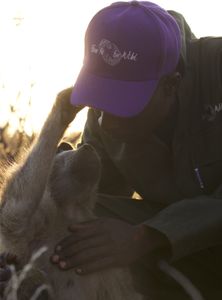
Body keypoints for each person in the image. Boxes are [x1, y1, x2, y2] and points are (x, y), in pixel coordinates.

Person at [1, 1, 222, 300]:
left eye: (124, 103)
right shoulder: (103, 116)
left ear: (172, 84)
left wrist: (146, 235)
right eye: (103, 96)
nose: (106, 119)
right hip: (176, 257)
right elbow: (85, 202)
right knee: (72, 226)